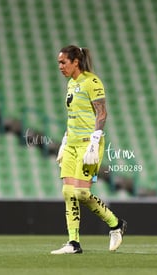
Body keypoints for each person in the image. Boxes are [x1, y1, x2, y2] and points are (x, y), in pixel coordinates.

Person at [51, 45, 127, 254]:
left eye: (63, 62)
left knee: (82, 193)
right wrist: (65, 141)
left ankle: (115, 223)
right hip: (72, 144)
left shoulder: (92, 82)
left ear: (76, 61)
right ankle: (73, 243)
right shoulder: (71, 84)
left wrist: (95, 140)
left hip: (88, 144)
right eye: (59, 62)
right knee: (68, 192)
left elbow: (102, 113)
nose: (60, 66)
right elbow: (74, 116)